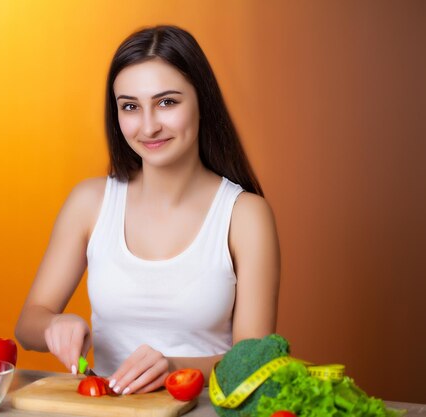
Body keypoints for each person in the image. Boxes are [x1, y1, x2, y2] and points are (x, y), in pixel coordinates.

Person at [15, 25, 280, 396]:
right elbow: (28, 324)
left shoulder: (245, 215)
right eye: (130, 107)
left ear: (202, 101)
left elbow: (256, 361)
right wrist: (54, 325)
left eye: (167, 102)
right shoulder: (89, 202)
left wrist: (175, 368)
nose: (149, 126)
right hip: (107, 407)